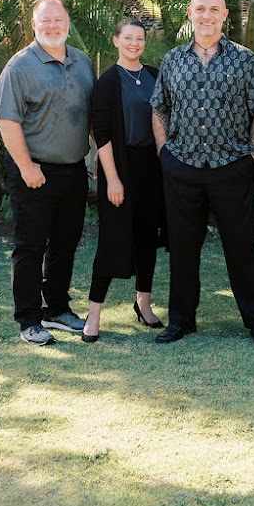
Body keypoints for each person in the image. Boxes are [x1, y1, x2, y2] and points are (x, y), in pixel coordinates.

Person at [150, 0, 254, 345]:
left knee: (241, 247)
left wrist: (251, 152)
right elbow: (159, 107)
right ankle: (181, 320)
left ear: (224, 16)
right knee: (183, 248)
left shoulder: (244, 60)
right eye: (200, 9)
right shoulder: (174, 60)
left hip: (231, 167)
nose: (207, 15)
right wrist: (164, 153)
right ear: (190, 13)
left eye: (214, 9)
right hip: (183, 167)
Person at [0, 0, 95, 345]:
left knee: (66, 243)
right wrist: (26, 166)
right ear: (34, 26)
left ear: (67, 22)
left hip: (73, 170)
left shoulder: (82, 62)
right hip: (33, 170)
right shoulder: (19, 67)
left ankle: (57, 309)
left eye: (58, 20)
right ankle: (29, 319)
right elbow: (7, 121)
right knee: (30, 246)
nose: (52, 26)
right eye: (45, 21)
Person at [82, 19, 166, 342]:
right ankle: (93, 314)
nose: (134, 43)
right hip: (119, 167)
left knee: (147, 238)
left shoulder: (154, 76)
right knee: (112, 239)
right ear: (116, 40)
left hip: (151, 168)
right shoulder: (107, 82)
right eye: (128, 38)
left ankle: (143, 303)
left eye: (139, 38)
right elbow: (101, 135)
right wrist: (113, 180)